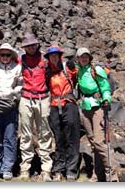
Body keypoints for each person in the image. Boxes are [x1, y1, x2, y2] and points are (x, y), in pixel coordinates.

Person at [76, 47, 119, 182]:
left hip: (98, 107)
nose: (84, 58)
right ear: (78, 58)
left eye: (86, 56)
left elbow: (105, 87)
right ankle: (97, 174)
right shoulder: (78, 71)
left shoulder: (96, 70)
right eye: (82, 56)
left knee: (100, 142)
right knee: (93, 142)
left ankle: (112, 176)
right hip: (85, 107)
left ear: (89, 58)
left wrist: (106, 99)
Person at [0, 43, 23, 181]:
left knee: (10, 138)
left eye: (7, 55)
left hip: (11, 106)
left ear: (11, 56)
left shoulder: (18, 68)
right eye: (2, 55)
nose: (5, 57)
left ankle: (7, 168)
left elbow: (20, 84)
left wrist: (13, 92)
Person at [18, 33, 53, 182]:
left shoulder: (45, 60)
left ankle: (46, 169)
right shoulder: (20, 60)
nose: (31, 48)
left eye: (33, 45)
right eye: (28, 46)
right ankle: (25, 168)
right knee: (25, 134)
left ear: (37, 45)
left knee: (44, 133)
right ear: (25, 47)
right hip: (26, 98)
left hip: (43, 98)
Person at [44, 46, 80, 182]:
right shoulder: (48, 72)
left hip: (69, 103)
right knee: (58, 138)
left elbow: (78, 73)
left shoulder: (67, 67)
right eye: (51, 56)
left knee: (72, 137)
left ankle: (71, 170)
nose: (53, 57)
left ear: (60, 56)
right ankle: (58, 169)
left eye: (56, 55)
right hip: (54, 105)